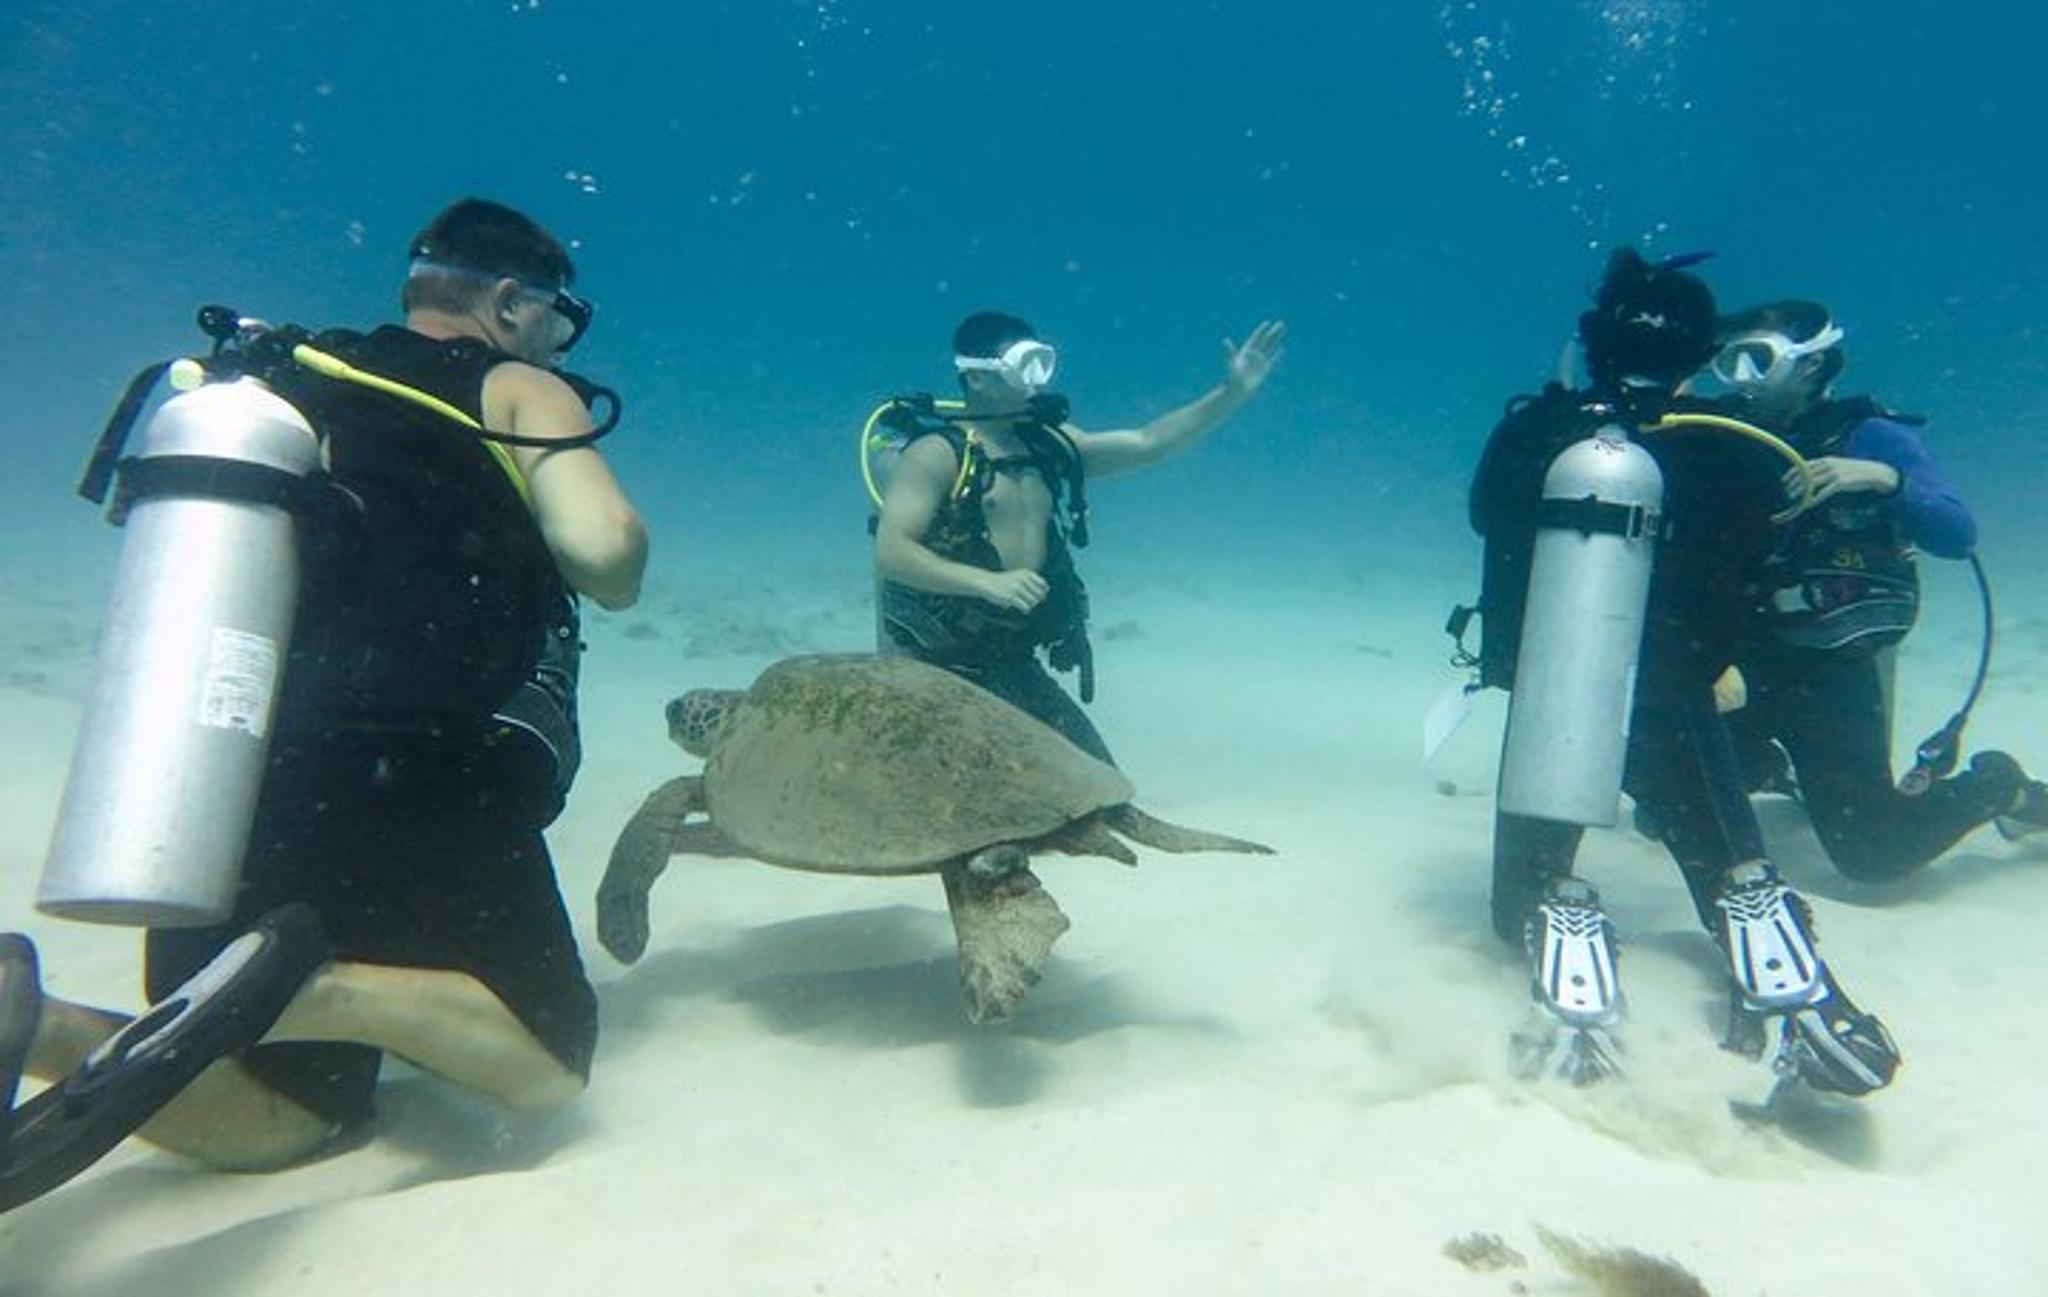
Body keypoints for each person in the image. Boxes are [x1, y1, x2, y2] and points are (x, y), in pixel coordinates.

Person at [1, 197, 648, 1205]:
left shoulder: (282, 383)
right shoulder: (510, 383)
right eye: (557, 321)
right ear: (511, 302)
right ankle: (317, 986)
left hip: (231, 767)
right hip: (424, 772)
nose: (557, 346)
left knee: (293, 1109)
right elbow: (602, 553)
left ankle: (32, 1021)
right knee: (551, 1066)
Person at [1465, 249, 1901, 1096]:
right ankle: (1759, 923)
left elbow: (1490, 519)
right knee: (1729, 868)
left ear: (1595, 339)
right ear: (1702, 352)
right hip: (1676, 702)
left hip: (1556, 701)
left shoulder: (1536, 430)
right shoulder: (1734, 445)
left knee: (1517, 899)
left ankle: (1563, 910)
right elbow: (1756, 564)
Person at [1708, 300, 2048, 879]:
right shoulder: (1725, 434)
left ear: (1811, 365)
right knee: (1665, 808)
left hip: (1829, 667)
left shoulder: (1869, 436)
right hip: (1741, 657)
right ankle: (1778, 768)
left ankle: (1998, 785)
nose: (1740, 379)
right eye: (1728, 361)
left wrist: (1885, 479)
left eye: (1757, 360)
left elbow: (1957, 534)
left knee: (1872, 854)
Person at [871, 311, 1285, 763]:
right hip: (936, 661)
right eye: (1024, 366)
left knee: (1099, 780)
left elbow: (1148, 443)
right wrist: (987, 583)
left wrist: (1229, 395)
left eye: (1042, 364)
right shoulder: (935, 455)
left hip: (1011, 658)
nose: (1038, 380)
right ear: (977, 377)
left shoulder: (1050, 446)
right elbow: (892, 552)